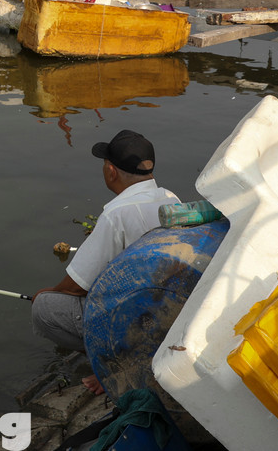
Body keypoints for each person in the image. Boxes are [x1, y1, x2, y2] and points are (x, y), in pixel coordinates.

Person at [31, 130, 181, 355]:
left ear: (111, 171)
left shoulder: (117, 213)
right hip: (171, 308)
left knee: (43, 308)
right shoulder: (171, 198)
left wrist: (49, 292)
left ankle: (111, 361)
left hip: (138, 319)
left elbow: (77, 285)